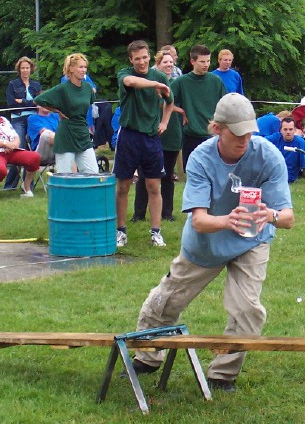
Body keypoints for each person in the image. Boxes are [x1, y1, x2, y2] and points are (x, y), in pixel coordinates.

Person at [130, 93, 294, 392]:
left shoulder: (268, 156)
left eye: (249, 132)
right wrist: (229, 220)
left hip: (251, 241)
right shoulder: (201, 158)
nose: (244, 140)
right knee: (166, 301)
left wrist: (269, 215)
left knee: (247, 310)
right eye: (237, 133)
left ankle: (222, 374)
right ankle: (147, 356)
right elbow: (199, 221)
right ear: (217, 129)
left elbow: (288, 218)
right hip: (205, 241)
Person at [113, 40, 174, 248]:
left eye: (145, 57)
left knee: (153, 186)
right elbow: (131, 82)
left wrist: (164, 122)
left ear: (150, 56)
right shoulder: (125, 73)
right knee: (123, 185)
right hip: (128, 136)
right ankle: (120, 231)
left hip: (151, 138)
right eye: (137, 58)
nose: (141, 62)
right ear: (131, 60)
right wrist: (155, 85)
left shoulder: (160, 76)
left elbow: (170, 102)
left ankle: (156, 232)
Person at [133, 49, 187, 223]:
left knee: (168, 175)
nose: (169, 65)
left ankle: (167, 213)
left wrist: (182, 111)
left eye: (171, 62)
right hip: (152, 132)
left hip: (172, 133)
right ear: (157, 63)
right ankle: (139, 213)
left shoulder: (177, 83)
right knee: (145, 175)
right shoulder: (150, 82)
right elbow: (156, 103)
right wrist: (177, 109)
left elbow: (180, 102)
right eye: (165, 62)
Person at [34, 53, 98, 175]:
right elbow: (39, 100)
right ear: (71, 68)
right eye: (80, 67)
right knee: (65, 175)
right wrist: (56, 110)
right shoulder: (63, 88)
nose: (84, 70)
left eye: (85, 67)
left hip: (82, 132)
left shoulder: (88, 88)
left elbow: (90, 102)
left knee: (93, 173)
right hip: (66, 133)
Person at [173, 44, 227, 171]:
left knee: (214, 173)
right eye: (202, 61)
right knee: (193, 174)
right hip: (191, 136)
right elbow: (162, 101)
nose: (206, 65)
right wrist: (180, 110)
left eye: (208, 61)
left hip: (213, 136)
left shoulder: (216, 81)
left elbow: (226, 105)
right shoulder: (182, 82)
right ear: (193, 61)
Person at [4, 57, 42, 190]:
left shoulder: (36, 85)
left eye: (27, 68)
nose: (25, 70)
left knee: (31, 151)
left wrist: (23, 101)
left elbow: (40, 102)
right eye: (23, 68)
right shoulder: (13, 84)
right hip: (18, 119)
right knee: (18, 150)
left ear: (31, 69)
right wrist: (30, 103)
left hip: (34, 119)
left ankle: (28, 185)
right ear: (19, 70)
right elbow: (11, 104)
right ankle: (10, 185)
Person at [265, 117, 305, 183]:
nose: (288, 132)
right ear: (280, 130)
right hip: (272, 170)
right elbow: (261, 142)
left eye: (290, 129)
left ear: (295, 130)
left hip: (288, 175)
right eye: (285, 129)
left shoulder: (301, 143)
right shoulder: (276, 137)